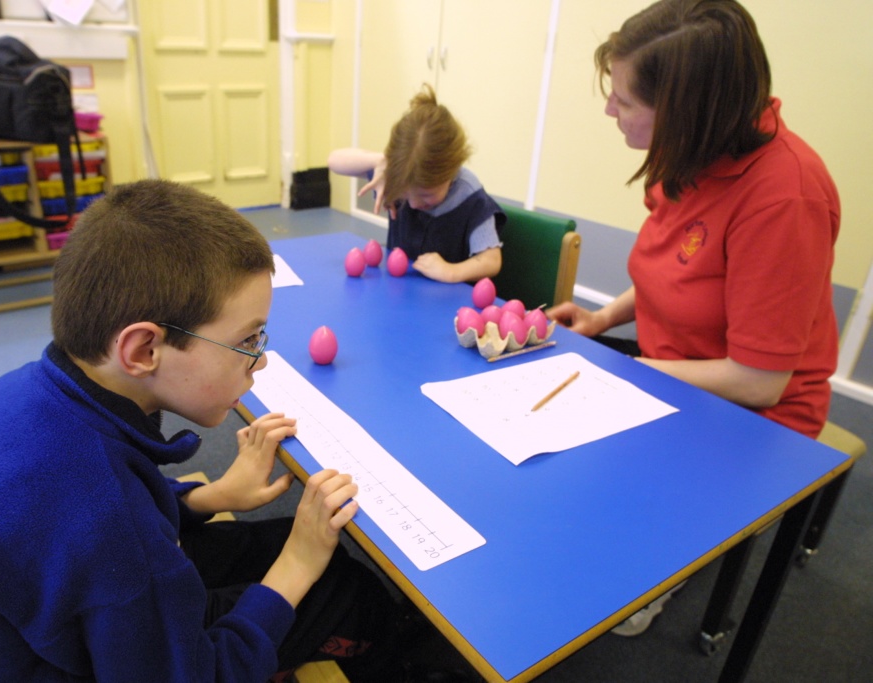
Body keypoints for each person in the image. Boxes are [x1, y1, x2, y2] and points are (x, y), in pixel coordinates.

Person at [0, 179, 443, 682]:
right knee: (346, 590)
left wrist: (211, 496)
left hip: (13, 643)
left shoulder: (35, 396)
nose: (261, 363)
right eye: (248, 341)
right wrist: (297, 564)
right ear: (143, 349)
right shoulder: (102, 509)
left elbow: (100, 533)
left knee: (277, 543)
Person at [547, 0, 840, 636]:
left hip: (757, 416)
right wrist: (601, 322)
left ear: (686, 110)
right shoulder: (695, 152)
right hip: (673, 373)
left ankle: (668, 562)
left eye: (624, 102)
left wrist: (632, 371)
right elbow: (669, 275)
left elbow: (762, 383)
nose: (609, 112)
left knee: (598, 577)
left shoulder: (785, 197)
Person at [329, 84, 504, 284]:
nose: (412, 204)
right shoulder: (399, 174)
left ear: (451, 171)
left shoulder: (471, 198)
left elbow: (491, 261)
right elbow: (335, 160)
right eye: (405, 195)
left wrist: (451, 271)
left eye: (426, 195)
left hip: (448, 303)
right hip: (399, 293)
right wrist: (384, 161)